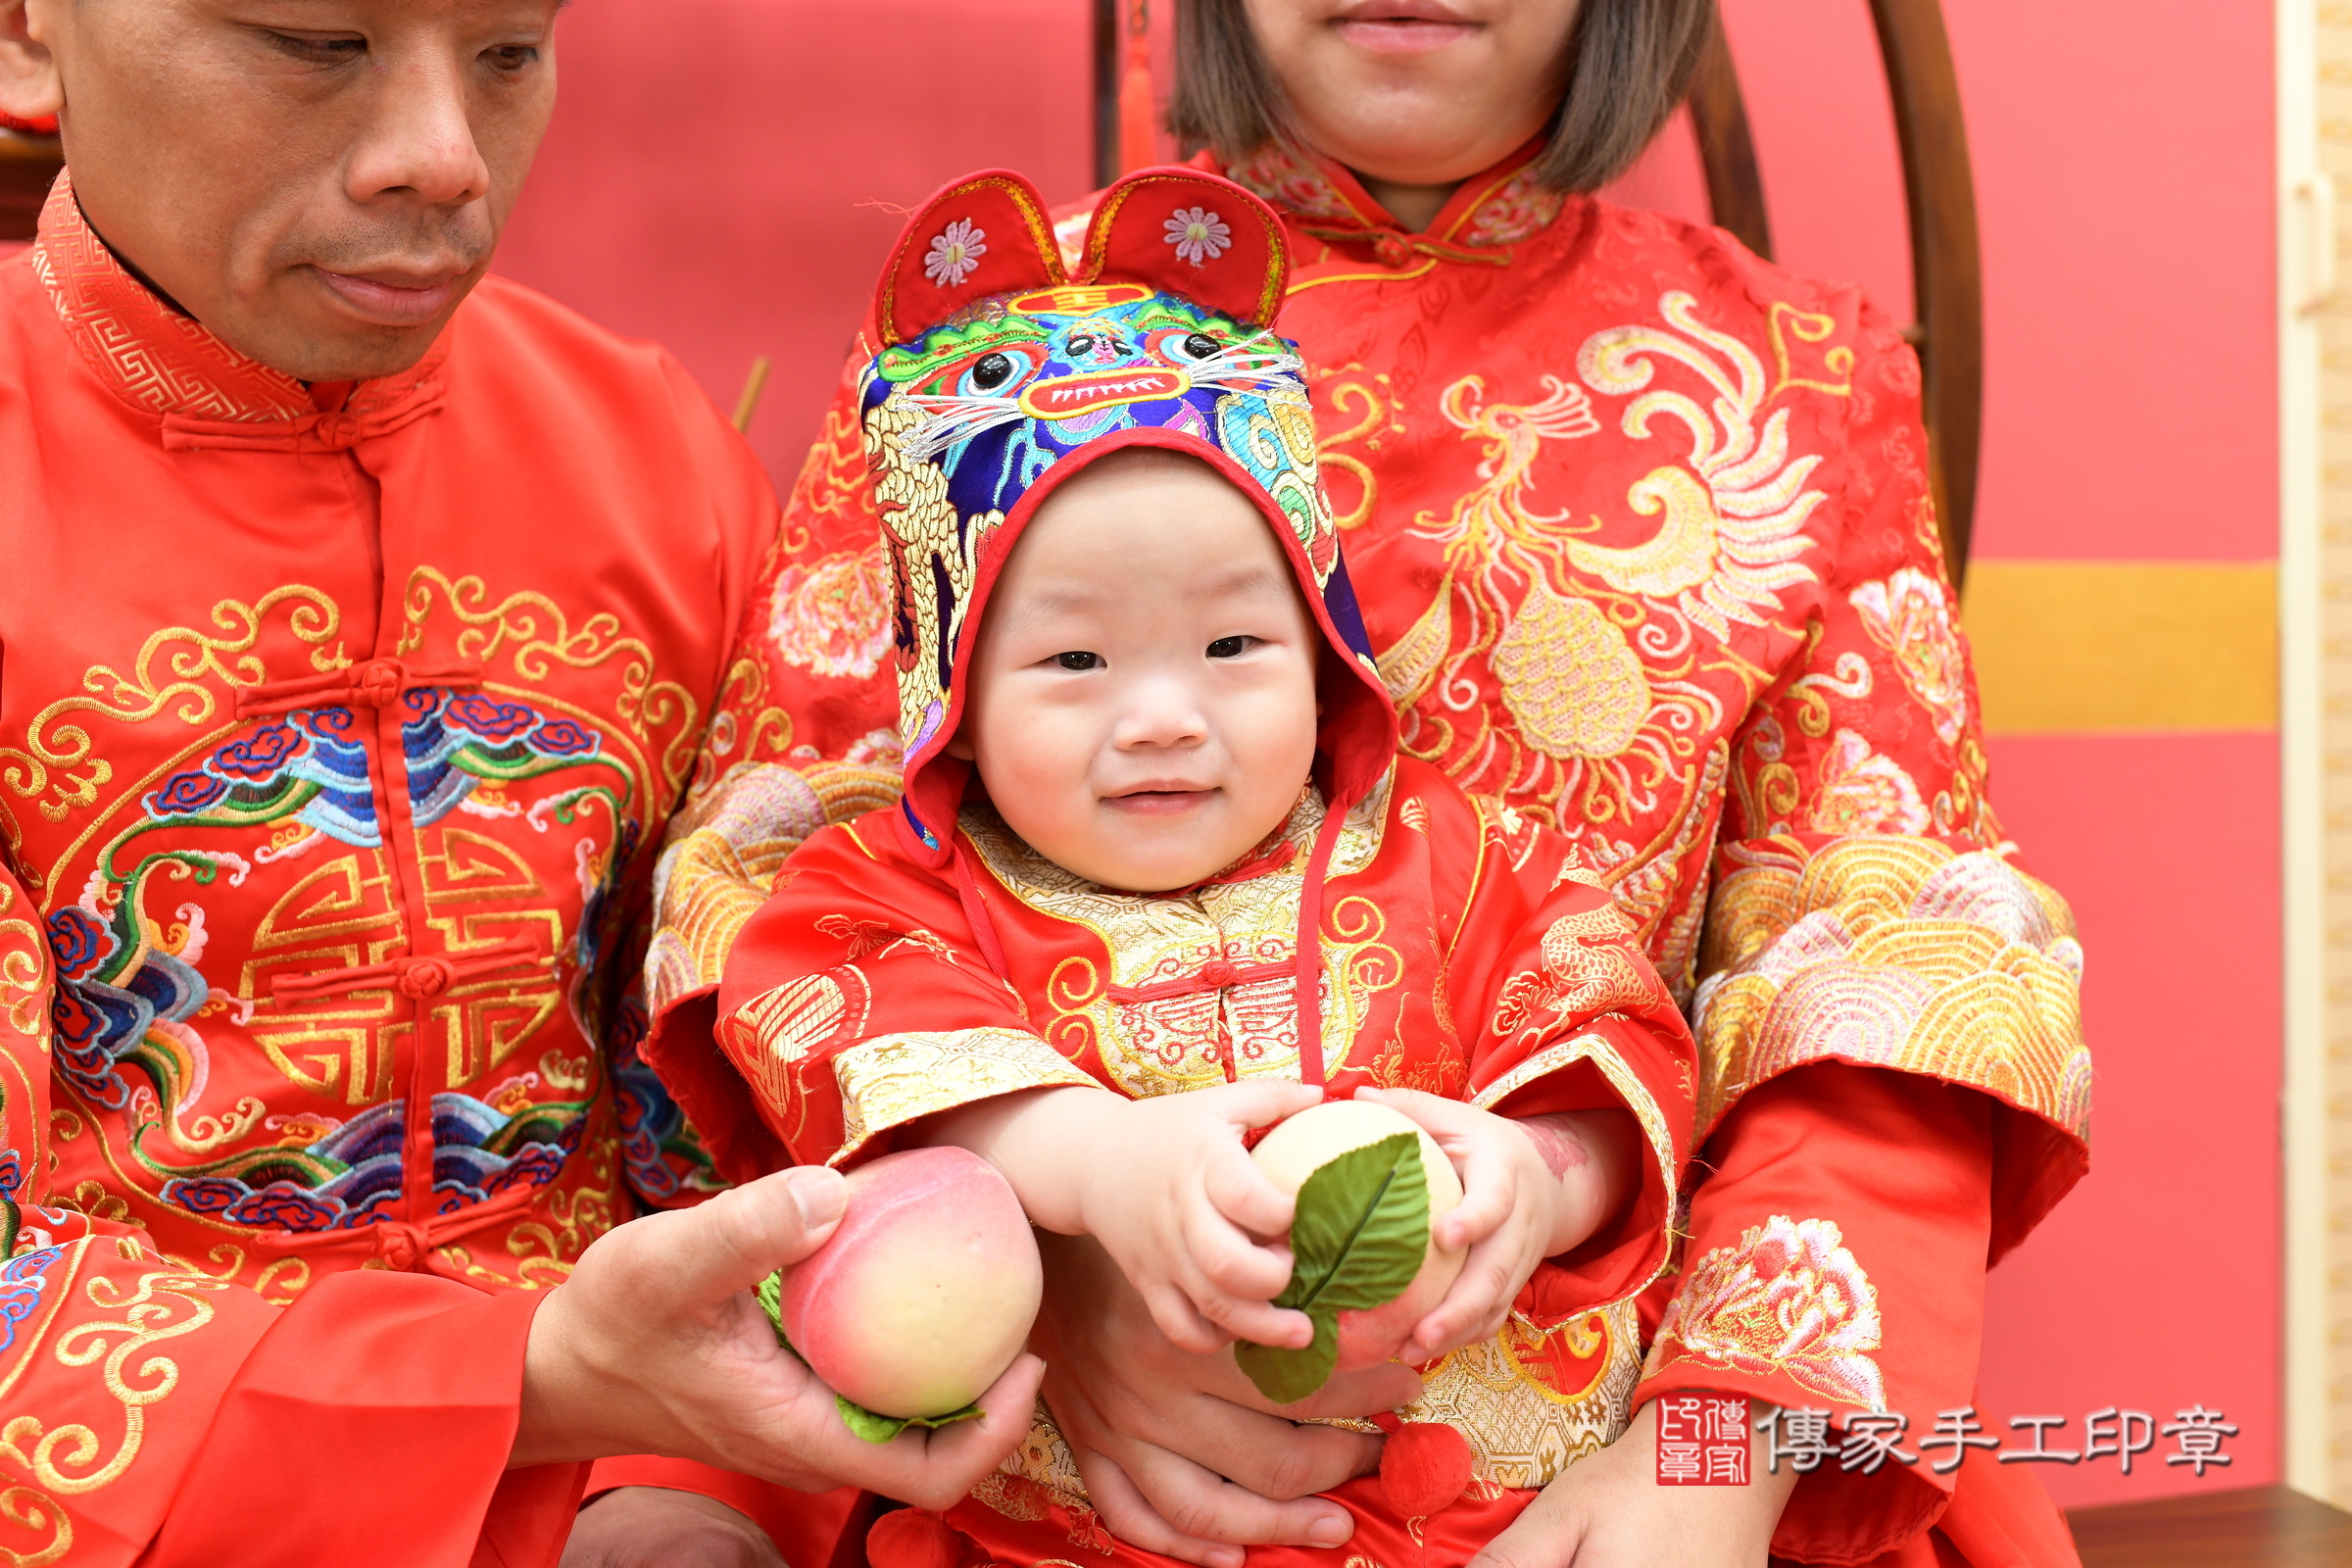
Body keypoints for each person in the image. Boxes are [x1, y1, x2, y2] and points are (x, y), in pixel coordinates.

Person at [644, 2, 2093, 1565]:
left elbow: (1893, 964)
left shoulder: (1800, 375)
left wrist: (1721, 1446)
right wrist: (1020, 1275)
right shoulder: (998, 346)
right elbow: (785, 915)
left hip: (1637, 1436)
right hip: (1031, 1460)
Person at [0, 3, 1040, 1564]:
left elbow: (786, 1061)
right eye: (311, 41)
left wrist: (695, 1492)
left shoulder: (649, 456)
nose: (442, 162)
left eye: (507, 53)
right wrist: (531, 1384)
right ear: (28, 34)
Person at [668, 166, 1698, 1566]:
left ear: (1326, 649)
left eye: (1233, 648)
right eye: (1076, 661)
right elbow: (850, 1064)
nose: (1164, 714)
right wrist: (1094, 1161)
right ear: (953, 691)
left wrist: (1539, 1172)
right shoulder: (891, 888)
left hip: (1474, 1526)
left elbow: (1609, 1027)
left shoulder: (1444, 853)